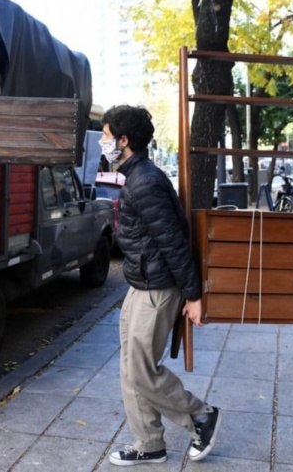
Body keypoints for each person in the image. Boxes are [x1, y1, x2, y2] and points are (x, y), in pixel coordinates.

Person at [100, 105, 220, 467]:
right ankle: (149, 443)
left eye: (107, 136)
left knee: (141, 370)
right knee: (129, 368)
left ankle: (200, 415)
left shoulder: (146, 182)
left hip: (157, 290)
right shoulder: (136, 175)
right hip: (140, 286)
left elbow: (173, 243)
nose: (103, 142)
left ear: (124, 141)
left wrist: (193, 296)